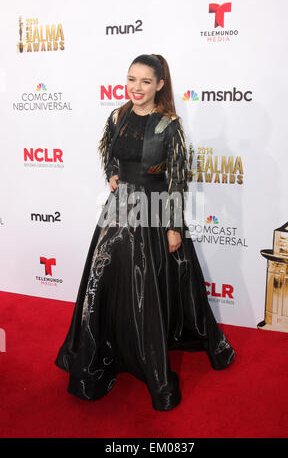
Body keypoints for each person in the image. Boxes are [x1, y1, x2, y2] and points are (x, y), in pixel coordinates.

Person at [55, 54, 235, 411]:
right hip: (119, 211)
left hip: (153, 214)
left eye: (145, 82)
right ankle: (107, 349)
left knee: (144, 289)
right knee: (105, 281)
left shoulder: (169, 125)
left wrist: (172, 226)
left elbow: (176, 179)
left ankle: (146, 352)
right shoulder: (117, 116)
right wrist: (111, 173)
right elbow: (109, 152)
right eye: (131, 79)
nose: (136, 88)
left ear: (160, 85)